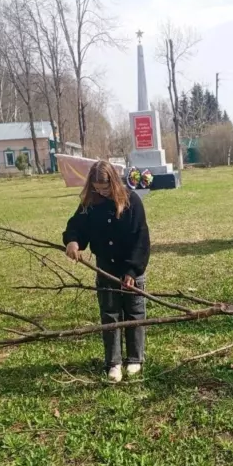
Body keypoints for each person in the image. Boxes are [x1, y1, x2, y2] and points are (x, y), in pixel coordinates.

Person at [63, 161, 151, 382]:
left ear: (113, 182)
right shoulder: (90, 204)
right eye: (97, 188)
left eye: (105, 188)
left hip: (131, 268)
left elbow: (142, 239)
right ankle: (114, 362)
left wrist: (132, 270)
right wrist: (73, 242)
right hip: (106, 268)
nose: (101, 192)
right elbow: (76, 227)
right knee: (110, 314)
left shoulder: (132, 202)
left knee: (134, 312)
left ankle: (135, 358)